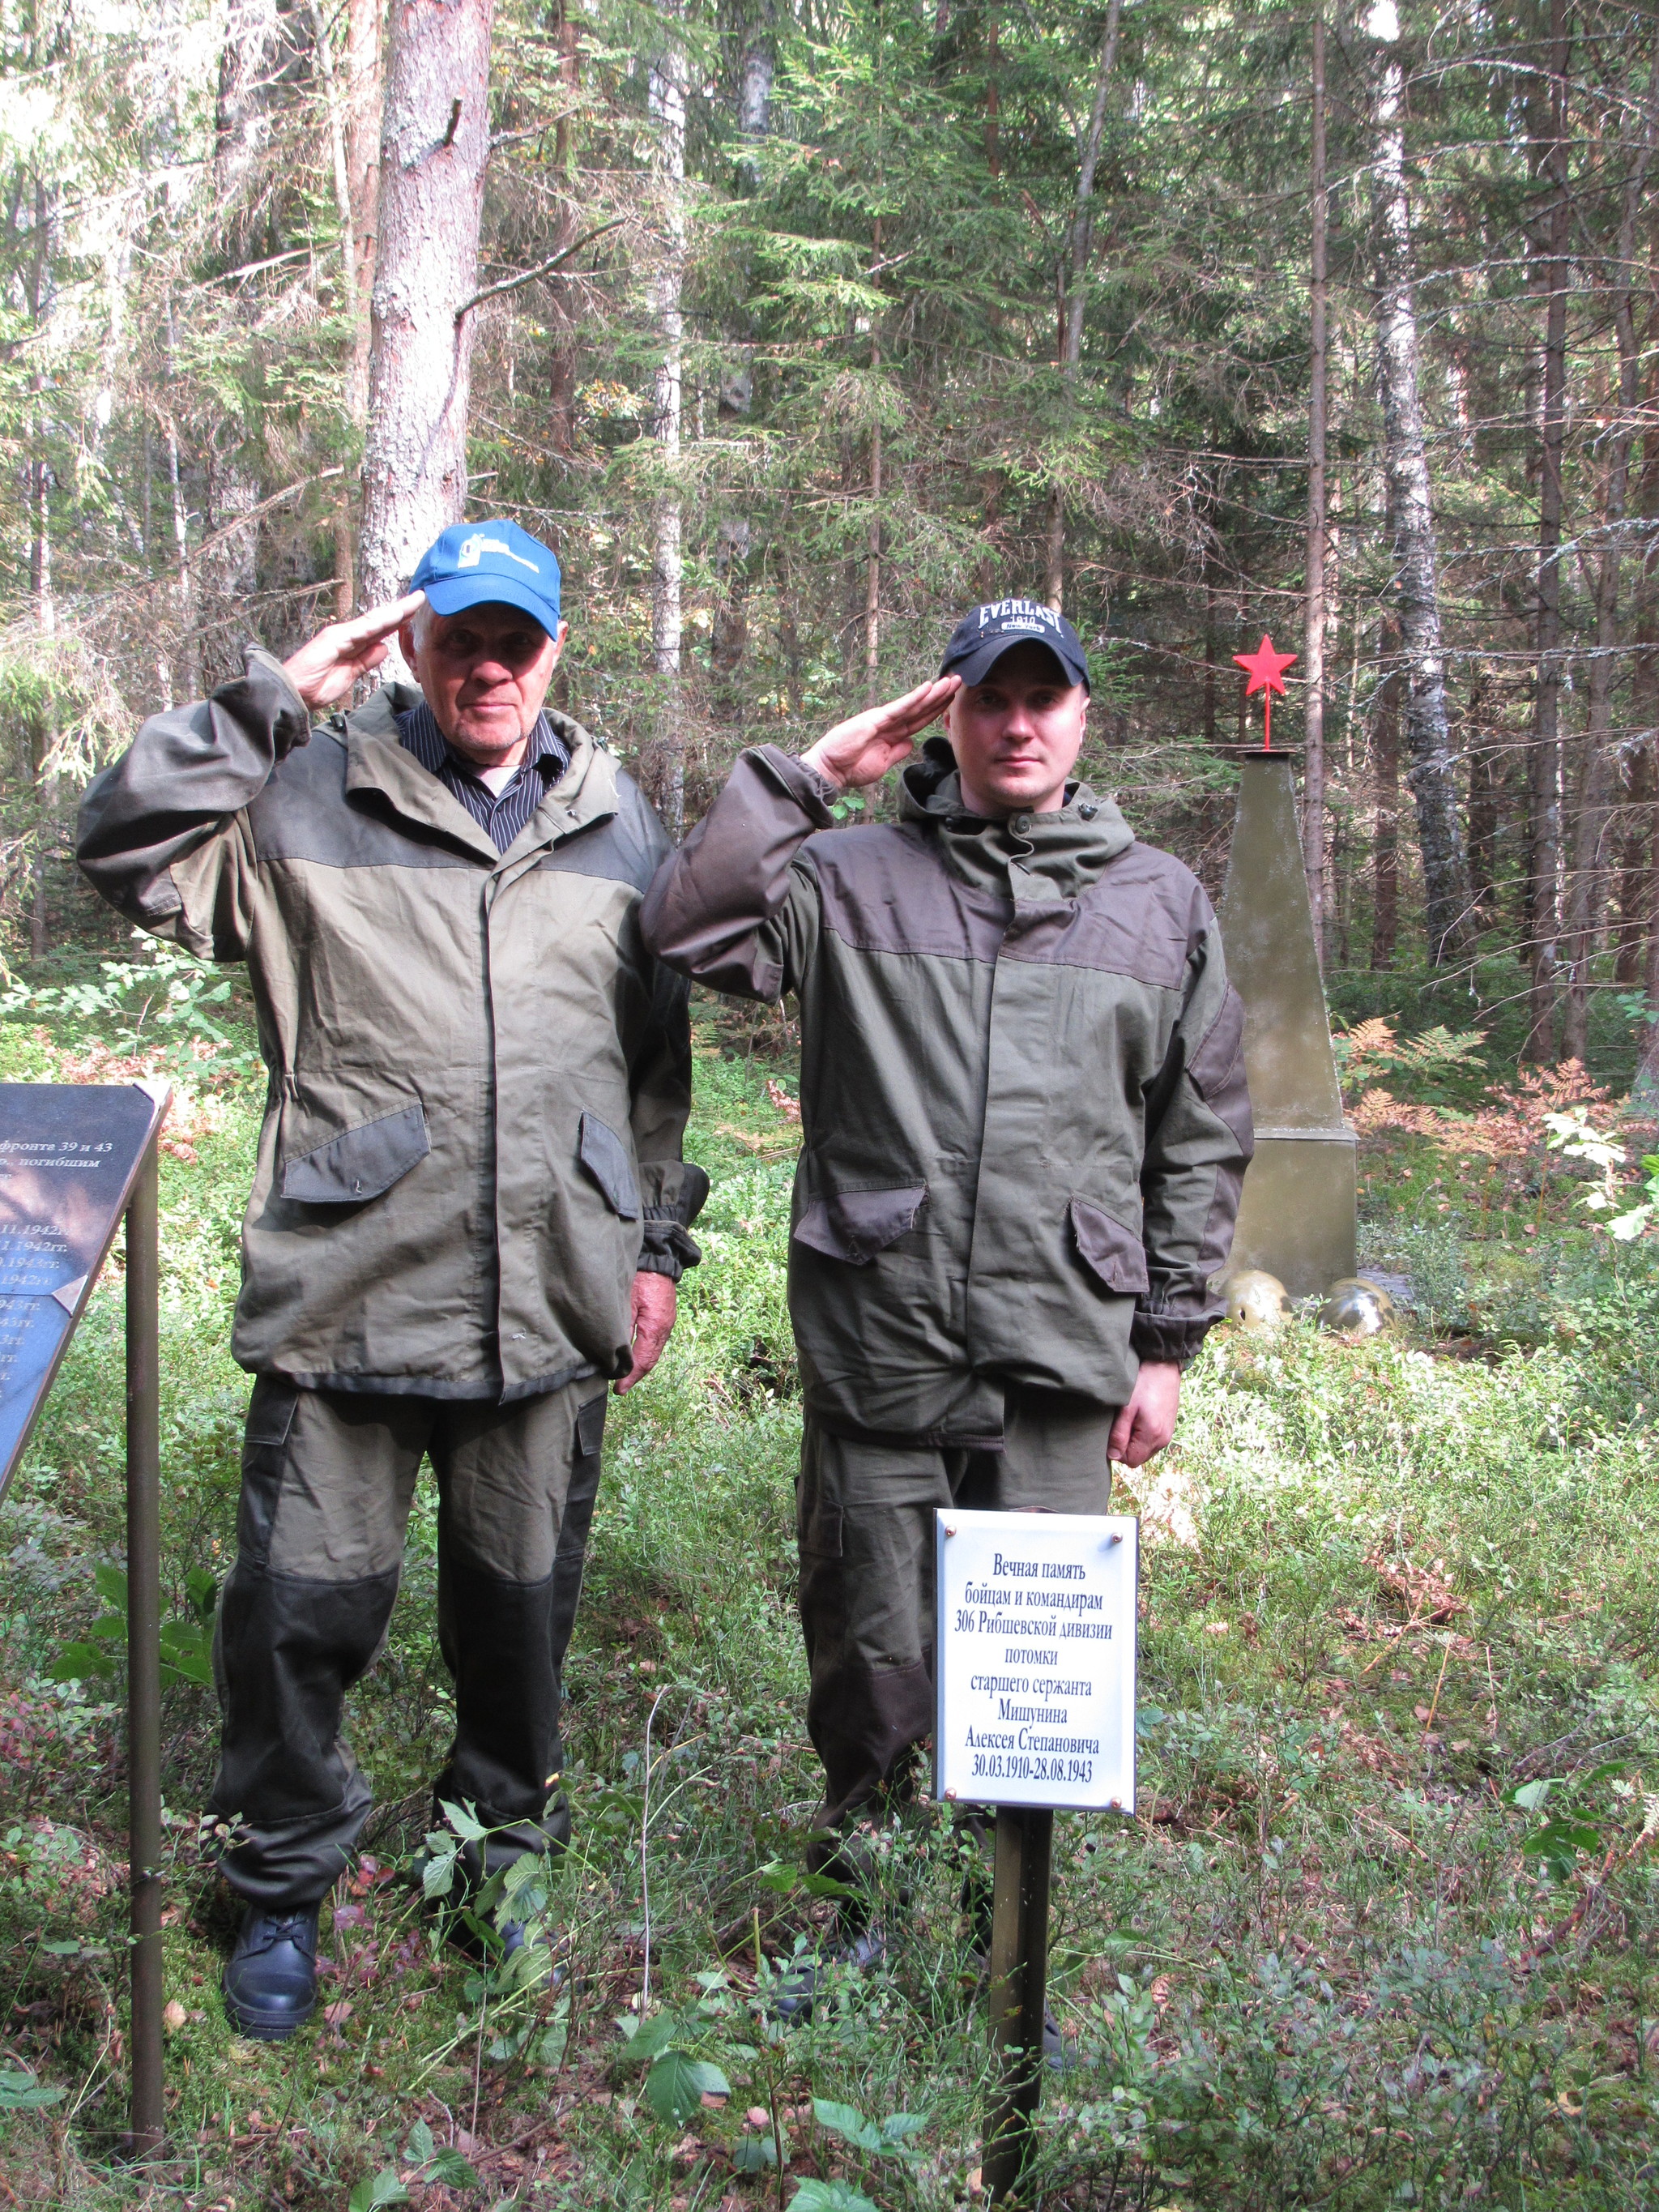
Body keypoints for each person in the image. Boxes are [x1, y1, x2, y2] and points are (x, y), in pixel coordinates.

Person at [77, 521, 707, 2040]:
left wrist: (655, 1244)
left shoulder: (620, 824)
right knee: (297, 1619)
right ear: (413, 648)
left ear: (556, 649)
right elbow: (120, 846)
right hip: (350, 1286)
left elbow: (653, 1064)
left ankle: (492, 1871)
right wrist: (271, 695)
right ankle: (279, 1892)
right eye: (461, 638)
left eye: (519, 640)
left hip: (551, 1295)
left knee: (520, 1622)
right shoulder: (305, 793)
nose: (490, 667)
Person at [641, 598, 1252, 2019]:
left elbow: (1203, 1125)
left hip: (1061, 1345)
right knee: (872, 1640)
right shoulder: (850, 875)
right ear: (952, 714)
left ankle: (1001, 1919)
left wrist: (1167, 1342)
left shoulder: (1158, 900)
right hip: (883, 1325)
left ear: (1085, 718)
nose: (1019, 723)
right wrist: (814, 775)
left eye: (1048, 698)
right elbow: (686, 925)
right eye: (992, 698)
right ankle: (864, 1898)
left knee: (1032, 1658)